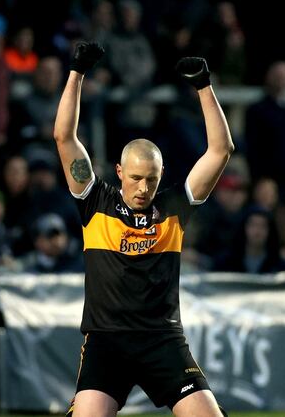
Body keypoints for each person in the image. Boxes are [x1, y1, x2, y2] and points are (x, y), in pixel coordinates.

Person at [54, 42, 232, 417]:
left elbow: (220, 150)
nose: (142, 188)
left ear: (161, 176)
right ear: (119, 172)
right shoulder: (94, 201)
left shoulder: (173, 208)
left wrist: (203, 86)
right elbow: (64, 138)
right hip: (107, 342)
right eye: (135, 178)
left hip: (162, 341)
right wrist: (77, 72)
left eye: (151, 180)